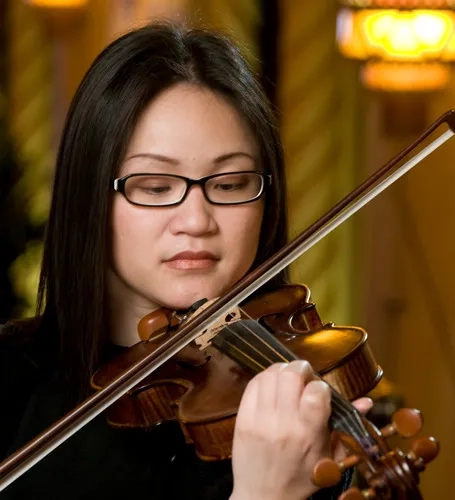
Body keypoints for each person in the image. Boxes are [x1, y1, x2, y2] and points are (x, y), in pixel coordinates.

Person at [0, 21, 372, 500]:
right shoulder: (10, 380)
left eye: (230, 184)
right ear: (88, 196)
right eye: (155, 187)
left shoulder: (290, 421)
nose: (196, 220)